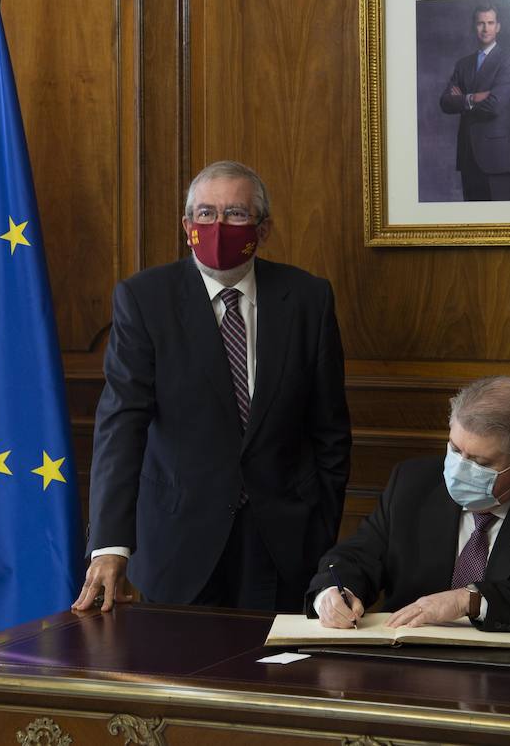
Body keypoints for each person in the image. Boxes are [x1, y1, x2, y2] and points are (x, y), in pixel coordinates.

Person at [74, 160, 352, 614]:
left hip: (282, 545)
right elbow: (121, 425)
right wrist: (110, 545)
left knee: (274, 677)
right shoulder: (145, 299)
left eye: (236, 214)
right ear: (187, 227)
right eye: (206, 214)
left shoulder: (308, 299)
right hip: (177, 543)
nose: (218, 226)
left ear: (263, 230)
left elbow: (331, 431)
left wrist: (321, 532)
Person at [306, 376, 510, 639]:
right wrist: (334, 592)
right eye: (455, 450)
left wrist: (471, 600)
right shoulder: (412, 484)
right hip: (408, 673)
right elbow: (356, 556)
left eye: (480, 462)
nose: (459, 469)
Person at [439, 3, 510, 201]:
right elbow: (445, 102)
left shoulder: (508, 60)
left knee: (500, 223)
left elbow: (494, 105)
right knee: (473, 224)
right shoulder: (463, 64)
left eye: (490, 23)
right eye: (480, 23)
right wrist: (473, 98)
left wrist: (462, 101)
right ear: (474, 27)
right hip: (468, 155)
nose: (485, 28)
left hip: (496, 156)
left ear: (498, 26)